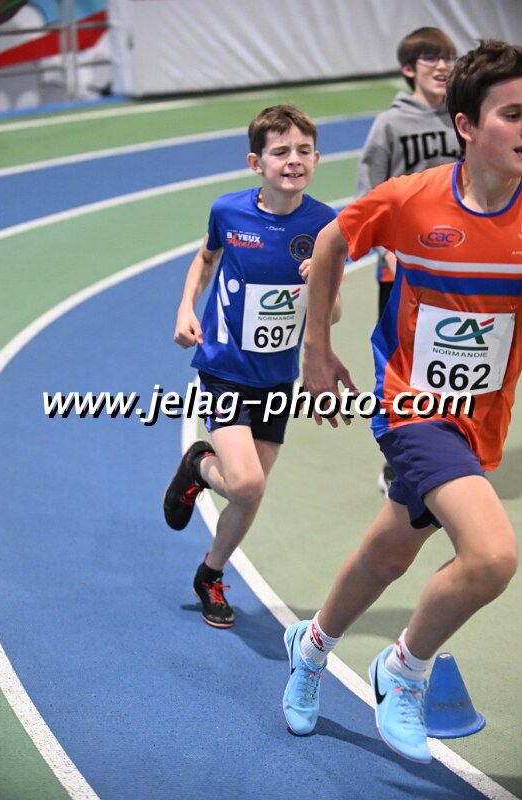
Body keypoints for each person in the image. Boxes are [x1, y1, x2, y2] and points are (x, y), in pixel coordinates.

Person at [282, 40, 522, 764]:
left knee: (386, 554)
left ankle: (311, 647)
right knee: (491, 556)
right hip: (410, 407)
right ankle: (403, 669)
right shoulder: (410, 200)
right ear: (466, 126)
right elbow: (330, 242)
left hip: (481, 419)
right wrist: (316, 350)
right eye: (512, 114)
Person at [162, 104, 341, 628]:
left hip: (277, 376)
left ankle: (210, 574)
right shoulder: (229, 212)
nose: (294, 160)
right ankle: (200, 464)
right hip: (224, 365)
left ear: (316, 158)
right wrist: (185, 307)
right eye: (280, 152)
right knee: (245, 484)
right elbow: (206, 257)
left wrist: (318, 282)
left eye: (304, 150)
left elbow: (332, 311)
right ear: (256, 162)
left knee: (249, 493)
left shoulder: (327, 224)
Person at [354, 26, 461, 495]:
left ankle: (450, 456)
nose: (442, 66)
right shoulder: (389, 125)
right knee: (402, 371)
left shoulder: (465, 119)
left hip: (458, 268)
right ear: (408, 69)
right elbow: (367, 196)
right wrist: (385, 248)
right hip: (401, 270)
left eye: (449, 57)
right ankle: (398, 463)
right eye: (431, 58)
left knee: (454, 360)